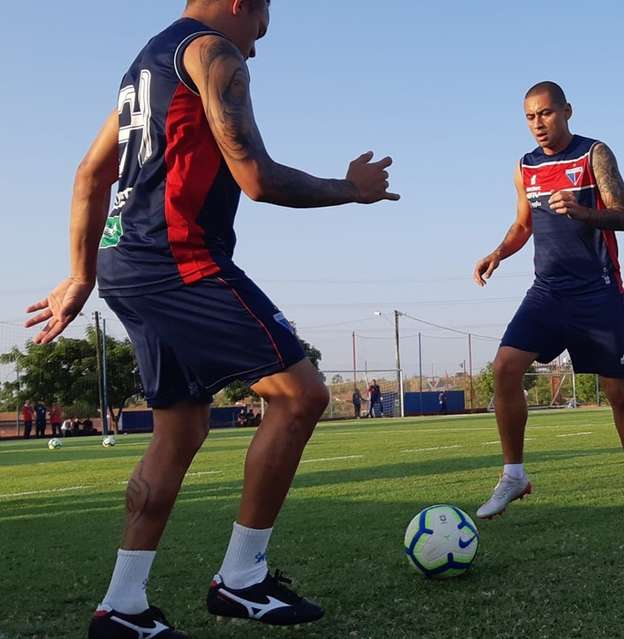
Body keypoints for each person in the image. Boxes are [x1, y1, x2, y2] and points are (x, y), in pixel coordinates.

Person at [24, 1, 398, 636]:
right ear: (240, 3)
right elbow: (256, 178)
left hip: (125, 263)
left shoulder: (144, 64)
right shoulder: (212, 54)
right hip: (179, 260)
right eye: (261, 27)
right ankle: (243, 580)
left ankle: (123, 606)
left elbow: (91, 174)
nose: (255, 48)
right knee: (300, 395)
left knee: (179, 433)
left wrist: (83, 274)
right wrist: (350, 188)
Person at [473, 81, 624, 520]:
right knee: (505, 368)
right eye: (531, 117)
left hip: (598, 291)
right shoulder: (524, 167)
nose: (539, 124)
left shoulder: (594, 154)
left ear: (567, 111)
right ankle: (514, 475)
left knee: (619, 393)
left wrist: (582, 210)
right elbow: (522, 224)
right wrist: (498, 252)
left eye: (547, 114)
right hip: (547, 292)